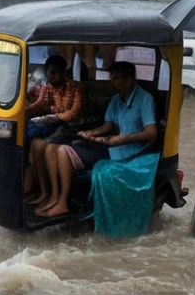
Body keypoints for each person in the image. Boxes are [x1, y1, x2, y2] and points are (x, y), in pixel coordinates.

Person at [36, 61, 157, 220]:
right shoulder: (116, 99)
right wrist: (91, 133)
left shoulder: (145, 99)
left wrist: (123, 139)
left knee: (62, 151)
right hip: (112, 149)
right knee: (59, 148)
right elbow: (108, 125)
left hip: (133, 156)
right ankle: (55, 198)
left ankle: (62, 202)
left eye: (115, 79)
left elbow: (151, 133)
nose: (111, 82)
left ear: (128, 80)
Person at [23, 54, 86, 204]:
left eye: (58, 73)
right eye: (51, 73)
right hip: (57, 126)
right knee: (33, 143)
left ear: (64, 72)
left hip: (74, 128)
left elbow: (73, 114)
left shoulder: (76, 88)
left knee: (46, 147)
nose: (54, 77)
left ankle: (54, 194)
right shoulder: (48, 88)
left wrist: (51, 117)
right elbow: (40, 104)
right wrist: (25, 112)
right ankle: (43, 191)